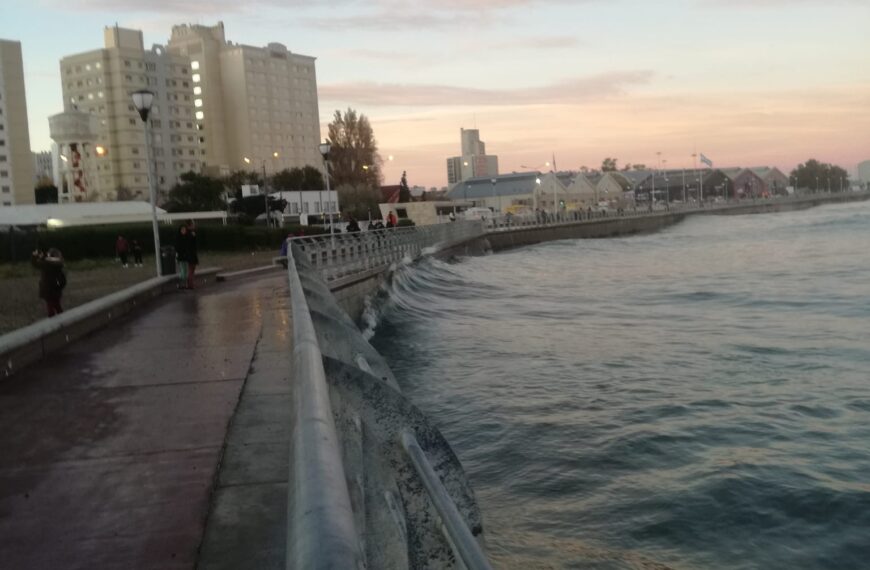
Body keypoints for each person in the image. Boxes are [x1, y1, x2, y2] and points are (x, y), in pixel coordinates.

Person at [31, 248, 66, 317]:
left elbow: (35, 264)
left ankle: (53, 322)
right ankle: (63, 320)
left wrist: (34, 256)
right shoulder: (59, 264)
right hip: (56, 287)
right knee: (57, 305)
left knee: (50, 307)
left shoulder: (46, 264)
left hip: (47, 288)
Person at [185, 220, 199, 289]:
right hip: (191, 253)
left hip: (190, 253)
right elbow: (191, 244)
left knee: (192, 269)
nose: (194, 225)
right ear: (190, 225)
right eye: (193, 224)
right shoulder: (190, 233)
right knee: (191, 269)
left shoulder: (188, 233)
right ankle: (190, 285)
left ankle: (190, 284)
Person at [175, 224, 190, 289]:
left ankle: (185, 284)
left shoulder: (187, 237)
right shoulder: (178, 238)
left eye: (185, 230)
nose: (184, 231)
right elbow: (177, 248)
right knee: (182, 271)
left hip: (186, 256)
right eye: (182, 230)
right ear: (180, 230)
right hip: (181, 257)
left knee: (186, 271)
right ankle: (180, 283)